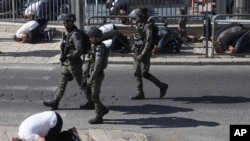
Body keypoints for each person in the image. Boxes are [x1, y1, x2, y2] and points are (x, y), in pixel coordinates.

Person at [43, 13, 85, 110]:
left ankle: (92, 100)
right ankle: (56, 101)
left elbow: (79, 50)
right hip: (67, 63)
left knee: (82, 83)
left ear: (70, 23)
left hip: (74, 64)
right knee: (62, 82)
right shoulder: (69, 32)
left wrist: (70, 56)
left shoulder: (75, 34)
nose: (63, 24)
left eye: (65, 22)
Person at [130, 7, 168, 100]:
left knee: (144, 73)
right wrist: (133, 46)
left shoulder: (147, 27)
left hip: (145, 52)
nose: (135, 18)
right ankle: (140, 93)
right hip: (137, 51)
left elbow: (148, 42)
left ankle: (162, 86)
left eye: (137, 17)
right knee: (136, 72)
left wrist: (142, 54)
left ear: (142, 16)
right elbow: (135, 37)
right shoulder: (138, 25)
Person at [84, 27, 109, 124]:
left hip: (96, 75)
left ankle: (99, 116)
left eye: (91, 37)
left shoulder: (99, 48)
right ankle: (103, 109)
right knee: (89, 92)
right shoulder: (94, 46)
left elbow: (97, 65)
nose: (90, 39)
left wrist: (91, 78)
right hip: (91, 73)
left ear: (97, 38)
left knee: (94, 96)